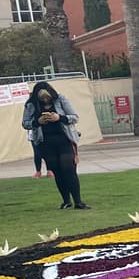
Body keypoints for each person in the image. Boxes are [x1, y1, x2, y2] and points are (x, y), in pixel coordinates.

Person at [21, 80, 88, 210]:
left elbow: (74, 117)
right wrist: (37, 122)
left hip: (64, 139)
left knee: (68, 169)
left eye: (47, 98)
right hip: (45, 142)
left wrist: (60, 118)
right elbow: (25, 123)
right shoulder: (31, 105)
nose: (46, 101)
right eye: (42, 99)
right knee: (57, 171)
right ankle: (66, 201)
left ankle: (78, 201)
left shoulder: (61, 99)